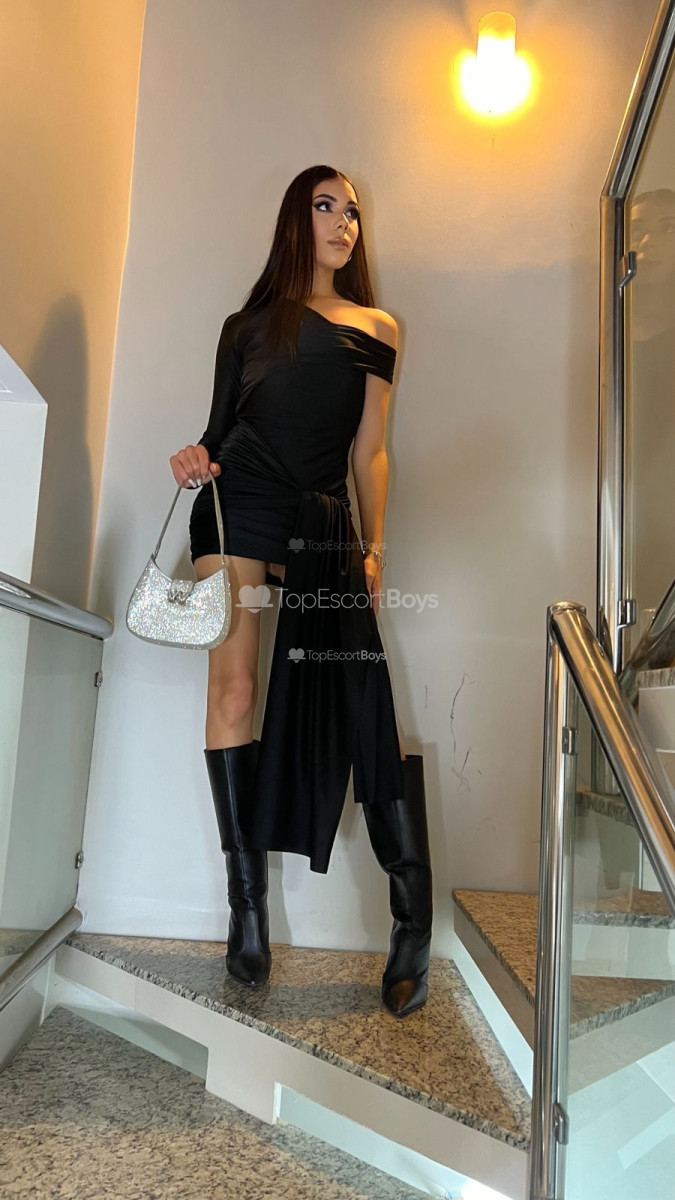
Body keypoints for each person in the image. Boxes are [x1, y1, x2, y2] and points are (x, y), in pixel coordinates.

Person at [169, 165, 432, 1019]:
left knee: (362, 700)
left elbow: (370, 450)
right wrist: (192, 457)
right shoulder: (244, 327)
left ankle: (411, 921)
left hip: (319, 516)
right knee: (232, 689)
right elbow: (216, 436)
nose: (343, 222)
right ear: (296, 219)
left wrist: (373, 547)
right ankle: (246, 911)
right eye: (326, 206)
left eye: (352, 211)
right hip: (236, 507)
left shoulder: (376, 327)